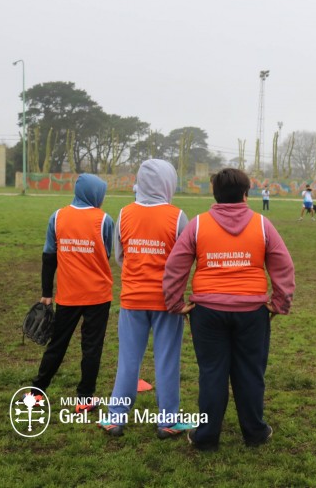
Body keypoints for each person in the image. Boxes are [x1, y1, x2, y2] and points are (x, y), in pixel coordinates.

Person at [163, 168, 295, 451]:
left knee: (212, 372)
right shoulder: (262, 224)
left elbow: (176, 266)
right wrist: (280, 302)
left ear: (215, 194)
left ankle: (207, 436)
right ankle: (255, 433)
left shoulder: (198, 224)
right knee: (250, 372)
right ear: (246, 194)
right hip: (252, 311)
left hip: (207, 311)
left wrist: (176, 302)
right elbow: (283, 264)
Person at [98, 160, 192, 439]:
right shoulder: (177, 216)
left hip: (132, 300)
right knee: (167, 360)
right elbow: (184, 261)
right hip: (168, 302)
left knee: (128, 360)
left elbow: (118, 257)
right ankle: (168, 421)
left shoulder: (125, 213)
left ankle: (115, 417)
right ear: (168, 182)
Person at [31, 174, 114, 412]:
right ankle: (84, 399)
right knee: (92, 347)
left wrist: (47, 292)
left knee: (57, 344)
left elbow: (49, 257)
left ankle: (36, 393)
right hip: (98, 296)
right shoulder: (105, 219)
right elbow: (105, 254)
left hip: (68, 295)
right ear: (95, 193)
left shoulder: (57, 217)